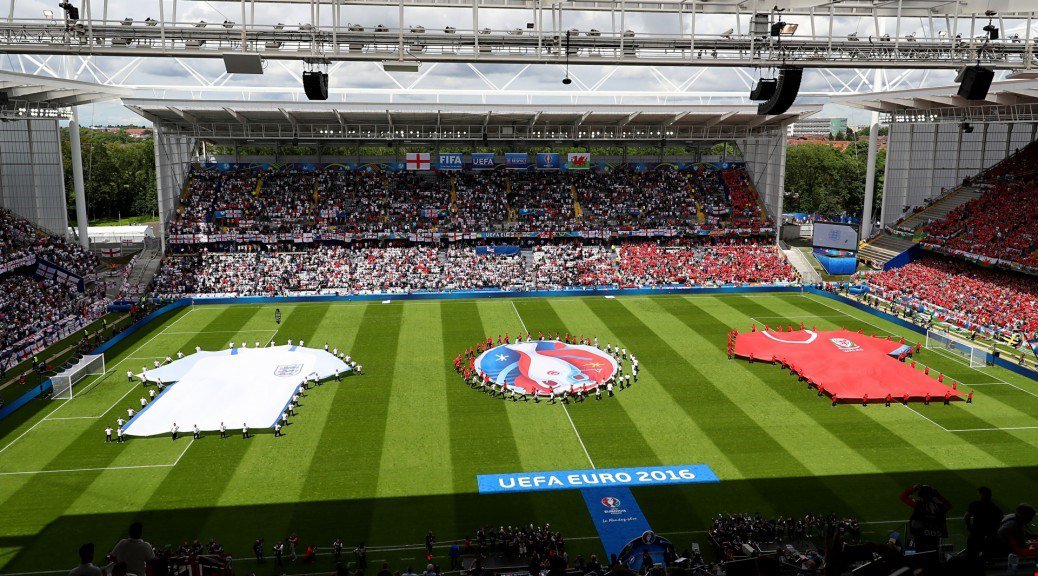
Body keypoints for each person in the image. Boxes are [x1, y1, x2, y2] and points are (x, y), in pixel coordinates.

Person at [900, 484, 952, 553]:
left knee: (920, 554)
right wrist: (938, 495)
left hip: (921, 535)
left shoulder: (919, 504)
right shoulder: (939, 506)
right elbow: (949, 506)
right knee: (933, 553)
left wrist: (913, 489)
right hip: (934, 535)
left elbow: (903, 497)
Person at [964, 486, 1003, 563]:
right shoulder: (995, 508)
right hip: (989, 536)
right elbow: (999, 522)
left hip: (975, 534)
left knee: (971, 556)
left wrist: (968, 526)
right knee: (987, 556)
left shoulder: (975, 504)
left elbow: (967, 516)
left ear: (981, 495)